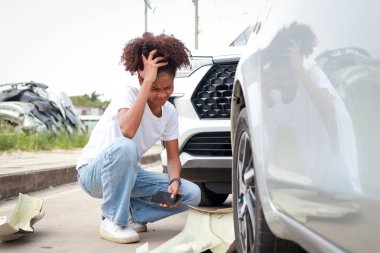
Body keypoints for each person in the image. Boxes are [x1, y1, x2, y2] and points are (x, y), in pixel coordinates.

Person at [76, 32, 201, 244]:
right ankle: (111, 220)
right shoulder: (128, 94)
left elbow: (172, 157)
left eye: (167, 88)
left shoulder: (169, 112)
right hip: (93, 173)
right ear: (141, 79)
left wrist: (174, 181)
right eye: (154, 88)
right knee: (126, 147)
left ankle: (131, 215)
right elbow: (128, 131)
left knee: (191, 194)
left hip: (128, 174)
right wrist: (146, 84)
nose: (162, 95)